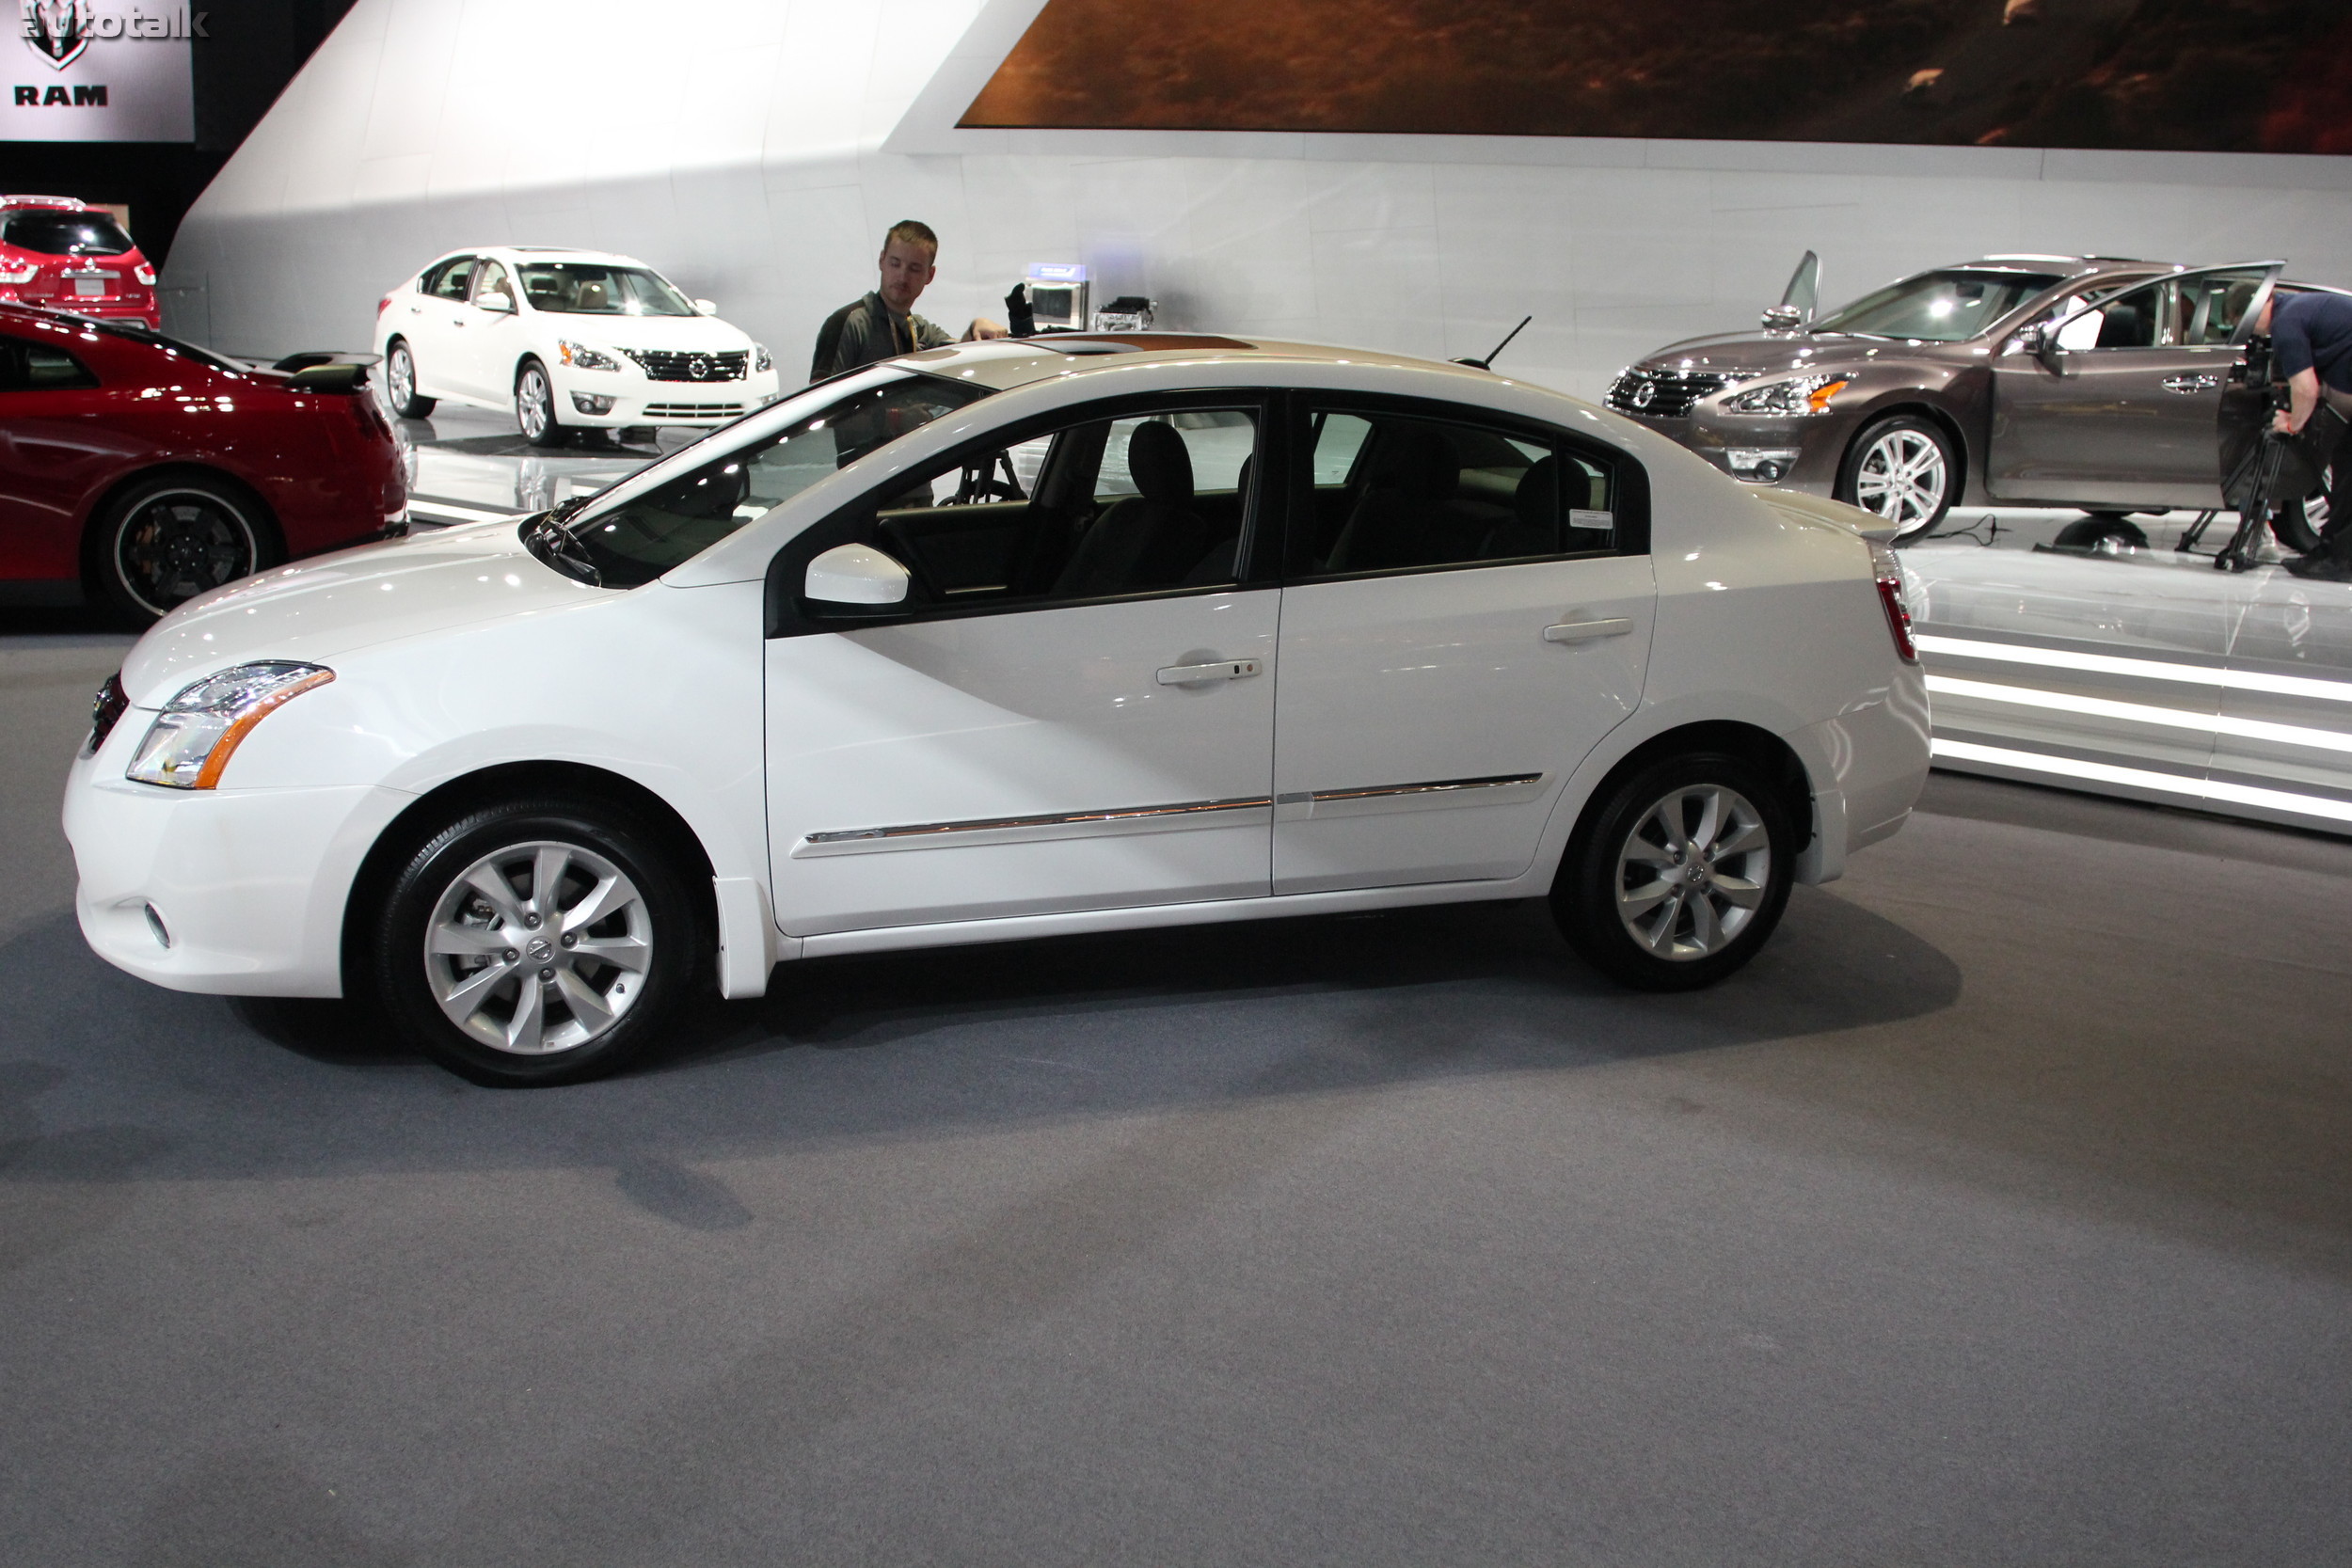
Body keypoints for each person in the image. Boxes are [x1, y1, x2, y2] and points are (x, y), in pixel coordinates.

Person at [809, 220, 1005, 381]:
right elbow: (819, 403)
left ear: (930, 275)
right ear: (881, 261)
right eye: (895, 264)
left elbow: (958, 355)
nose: (902, 277)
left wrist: (975, 328)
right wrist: (893, 417)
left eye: (914, 268)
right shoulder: (849, 323)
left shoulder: (919, 330)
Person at [2257, 288, 2352, 580]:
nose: (2251, 328)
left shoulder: (2287, 322)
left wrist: (2292, 424)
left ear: (2265, 303)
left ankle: (2337, 559)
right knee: (2347, 468)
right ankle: (2333, 554)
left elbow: (2305, 389)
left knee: (2347, 469)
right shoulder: (2301, 309)